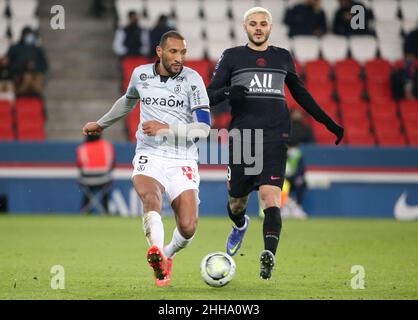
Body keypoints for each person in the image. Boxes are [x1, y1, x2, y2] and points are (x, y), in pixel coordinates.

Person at [207, 7, 343, 280]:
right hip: (244, 137)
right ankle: (239, 225)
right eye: (253, 24)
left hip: (276, 135)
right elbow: (209, 95)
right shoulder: (232, 56)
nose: (258, 28)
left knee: (271, 197)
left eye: (263, 24)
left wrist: (327, 122)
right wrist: (227, 92)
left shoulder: (282, 57)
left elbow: (301, 94)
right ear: (245, 27)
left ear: (271, 27)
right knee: (237, 202)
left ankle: (269, 254)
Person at [82, 31, 211, 286]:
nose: (179, 58)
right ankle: (157, 254)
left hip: (182, 158)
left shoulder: (192, 80)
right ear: (159, 51)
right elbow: (127, 102)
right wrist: (101, 124)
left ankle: (168, 252)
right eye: (173, 51)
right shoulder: (140, 75)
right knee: (150, 198)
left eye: (183, 52)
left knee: (188, 226)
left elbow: (204, 128)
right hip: (148, 153)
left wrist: (166, 129)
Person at [77, 133, 115, 214]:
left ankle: (85, 211)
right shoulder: (107, 146)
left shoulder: (82, 148)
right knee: (104, 194)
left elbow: (79, 165)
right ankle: (106, 211)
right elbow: (112, 164)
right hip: (104, 179)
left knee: (88, 193)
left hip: (86, 180)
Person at [7, 27, 48, 95]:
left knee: (34, 78)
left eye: (31, 35)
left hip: (34, 79)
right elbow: (10, 66)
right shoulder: (15, 48)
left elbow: (44, 66)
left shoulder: (37, 50)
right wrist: (23, 67)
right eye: (27, 35)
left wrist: (34, 66)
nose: (29, 37)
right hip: (19, 79)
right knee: (26, 77)